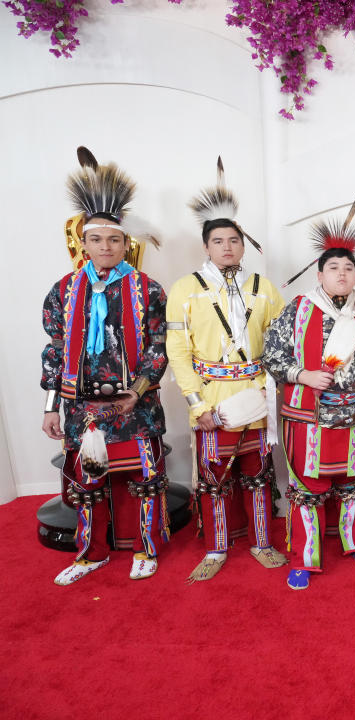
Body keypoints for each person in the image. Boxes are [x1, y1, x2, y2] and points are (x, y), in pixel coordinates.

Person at [43, 147, 169, 585]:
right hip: (82, 409)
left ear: (125, 243)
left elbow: (159, 346)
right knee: (88, 485)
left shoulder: (146, 289)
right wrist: (49, 407)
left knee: (144, 483)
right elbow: (55, 350)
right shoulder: (64, 291)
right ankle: (90, 554)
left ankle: (145, 549)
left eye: (114, 239)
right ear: (83, 243)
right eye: (97, 239)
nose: (106, 246)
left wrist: (139, 388)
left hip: (136, 406)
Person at [166, 160, 287, 582]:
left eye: (234, 240)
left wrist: (272, 395)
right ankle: (216, 548)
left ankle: (261, 542)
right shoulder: (185, 289)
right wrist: (196, 403)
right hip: (212, 396)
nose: (227, 247)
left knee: (257, 476)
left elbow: (279, 344)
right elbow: (178, 352)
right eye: (218, 241)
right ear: (206, 247)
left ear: (242, 244)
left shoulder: (264, 288)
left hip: (256, 393)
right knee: (215, 480)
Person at [264, 206, 355, 589]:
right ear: (320, 275)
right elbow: (271, 355)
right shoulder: (298, 310)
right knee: (309, 485)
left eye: (348, 269)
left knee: (352, 481)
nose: (342, 274)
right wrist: (303, 374)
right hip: (309, 417)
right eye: (334, 268)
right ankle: (305, 558)